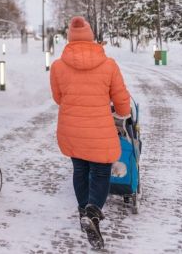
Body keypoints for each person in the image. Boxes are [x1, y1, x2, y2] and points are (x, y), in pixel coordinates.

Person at [49, 16, 131, 249]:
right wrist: (123, 113)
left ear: (70, 38)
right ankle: (93, 213)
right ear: (91, 36)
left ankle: (83, 211)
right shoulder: (108, 64)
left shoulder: (58, 66)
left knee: (80, 168)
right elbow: (121, 97)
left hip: (71, 128)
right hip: (100, 129)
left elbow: (58, 98)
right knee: (101, 171)